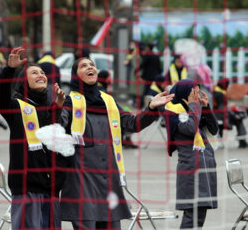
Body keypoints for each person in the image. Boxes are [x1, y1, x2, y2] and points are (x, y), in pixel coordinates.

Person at [59, 57, 174, 229]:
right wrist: (55, 107)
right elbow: (57, 126)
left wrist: (150, 108)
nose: (90, 67)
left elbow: (132, 124)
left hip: (108, 180)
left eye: (92, 65)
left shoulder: (108, 101)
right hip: (82, 180)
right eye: (84, 66)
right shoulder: (69, 101)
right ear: (75, 76)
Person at [0, 47, 69, 229]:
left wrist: (58, 107)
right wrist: (9, 70)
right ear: (24, 81)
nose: (41, 75)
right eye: (34, 72)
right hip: (27, 189)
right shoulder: (16, 107)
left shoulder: (50, 107)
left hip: (51, 190)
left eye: (43, 73)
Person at [164, 79, 218, 229]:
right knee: (192, 217)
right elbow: (190, 128)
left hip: (204, 168)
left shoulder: (192, 111)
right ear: (183, 94)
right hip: (191, 170)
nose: (196, 96)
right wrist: (194, 106)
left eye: (197, 92)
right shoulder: (173, 112)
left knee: (199, 215)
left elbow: (214, 129)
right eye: (193, 92)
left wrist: (206, 108)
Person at [98, 70, 137, 149]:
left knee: (126, 112)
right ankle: (127, 140)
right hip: (106, 115)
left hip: (109, 112)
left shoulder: (102, 86)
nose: (110, 80)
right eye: (109, 78)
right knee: (127, 116)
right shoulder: (101, 89)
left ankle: (127, 140)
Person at [212, 78, 248, 148]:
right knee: (239, 118)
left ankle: (242, 140)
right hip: (222, 117)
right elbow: (221, 108)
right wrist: (229, 106)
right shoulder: (219, 94)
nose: (228, 87)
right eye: (227, 85)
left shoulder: (217, 91)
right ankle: (242, 140)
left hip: (220, 115)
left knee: (238, 118)